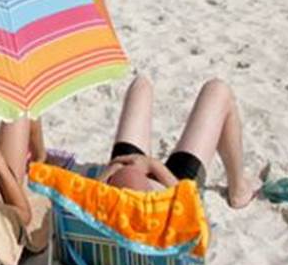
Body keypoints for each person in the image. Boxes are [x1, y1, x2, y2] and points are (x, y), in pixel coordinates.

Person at [99, 75, 256, 209]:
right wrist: (154, 165)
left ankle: (238, 188)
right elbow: (188, 203)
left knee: (141, 85)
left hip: (120, 179)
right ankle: (238, 190)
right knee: (218, 90)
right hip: (175, 188)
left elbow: (86, 201)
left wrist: (110, 171)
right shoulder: (160, 222)